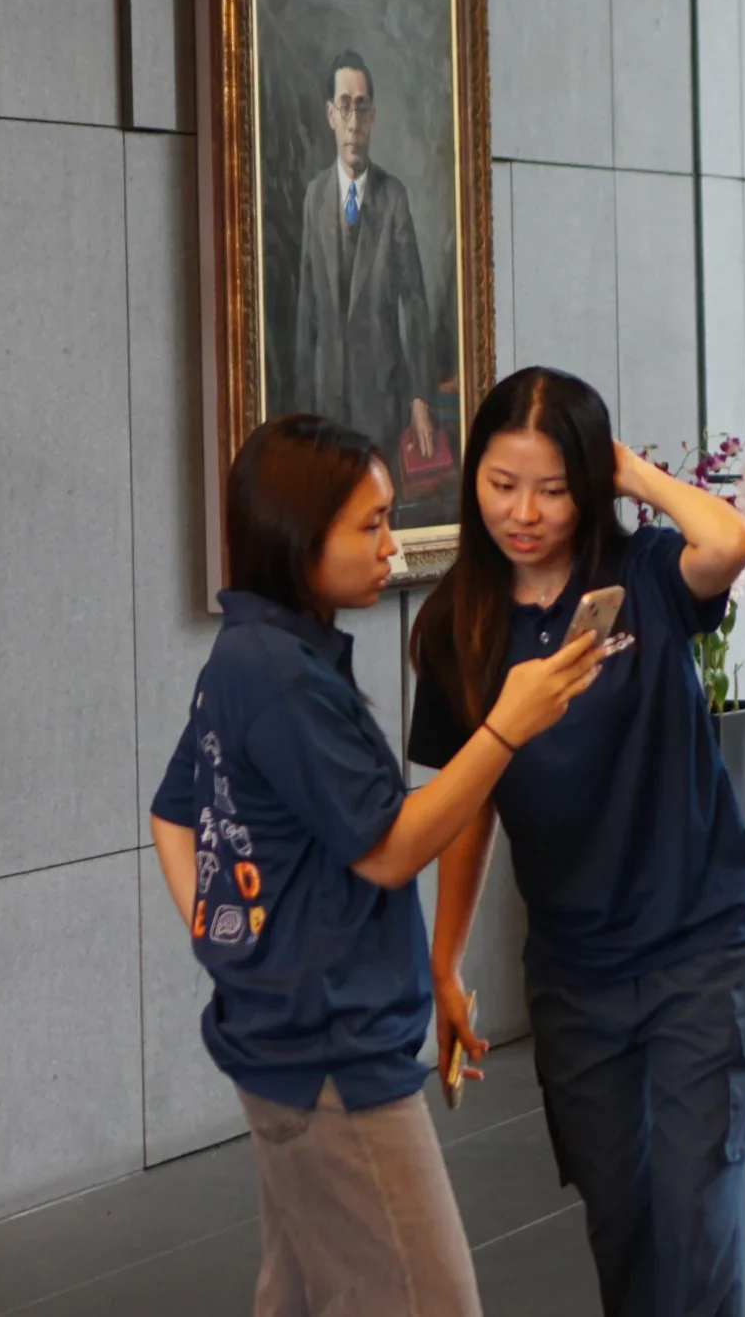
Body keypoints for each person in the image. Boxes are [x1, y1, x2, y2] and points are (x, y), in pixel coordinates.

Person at [149, 414, 607, 1316]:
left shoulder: (252, 656)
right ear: (298, 536)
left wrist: (233, 945)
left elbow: (174, 812)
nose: (392, 546)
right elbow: (392, 847)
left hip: (286, 1040)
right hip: (331, 1056)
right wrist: (507, 726)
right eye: (371, 524)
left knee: (299, 1293)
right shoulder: (279, 676)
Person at [410, 368, 745, 1317]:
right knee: (624, 1226)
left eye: (555, 487)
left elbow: (733, 539)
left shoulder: (645, 574)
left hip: (704, 946)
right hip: (578, 975)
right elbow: (468, 805)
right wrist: (445, 961)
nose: (524, 513)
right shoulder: (455, 623)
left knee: (697, 1221)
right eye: (502, 484)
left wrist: (633, 474)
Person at [292, 50, 442, 491]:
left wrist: (419, 397)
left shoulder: (393, 198)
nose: (353, 121)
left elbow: (414, 303)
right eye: (344, 106)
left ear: (373, 117)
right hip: (325, 406)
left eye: (361, 107)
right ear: (330, 115)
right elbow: (307, 310)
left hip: (381, 404)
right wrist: (301, 412)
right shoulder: (314, 197)